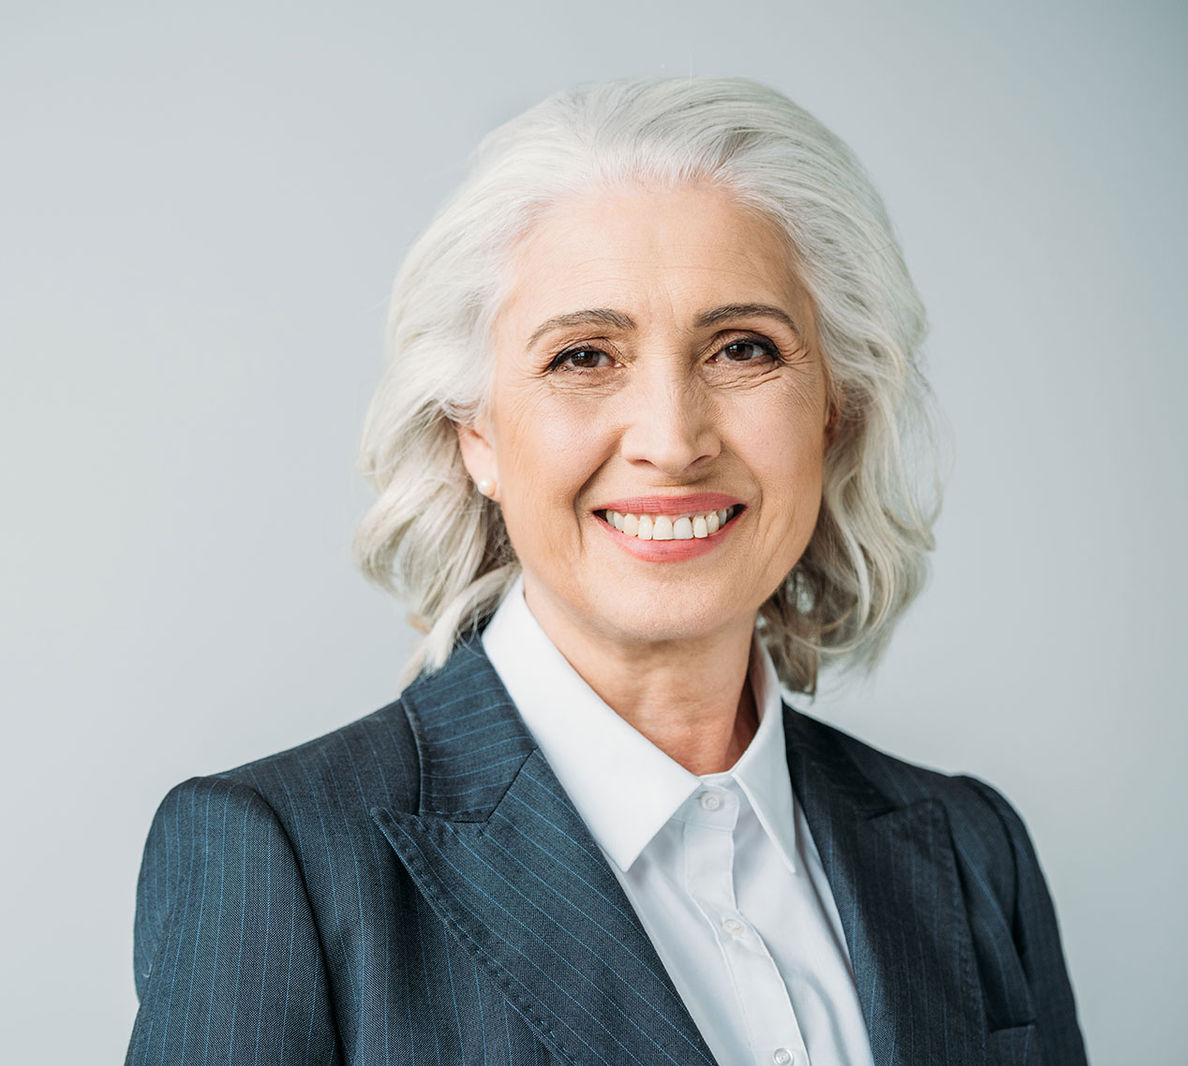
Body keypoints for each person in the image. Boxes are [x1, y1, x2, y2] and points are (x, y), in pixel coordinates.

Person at [125, 77, 1087, 1066]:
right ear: (476, 435)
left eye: (742, 348)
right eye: (584, 356)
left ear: (833, 410)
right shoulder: (280, 858)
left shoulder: (974, 852)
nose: (671, 441)